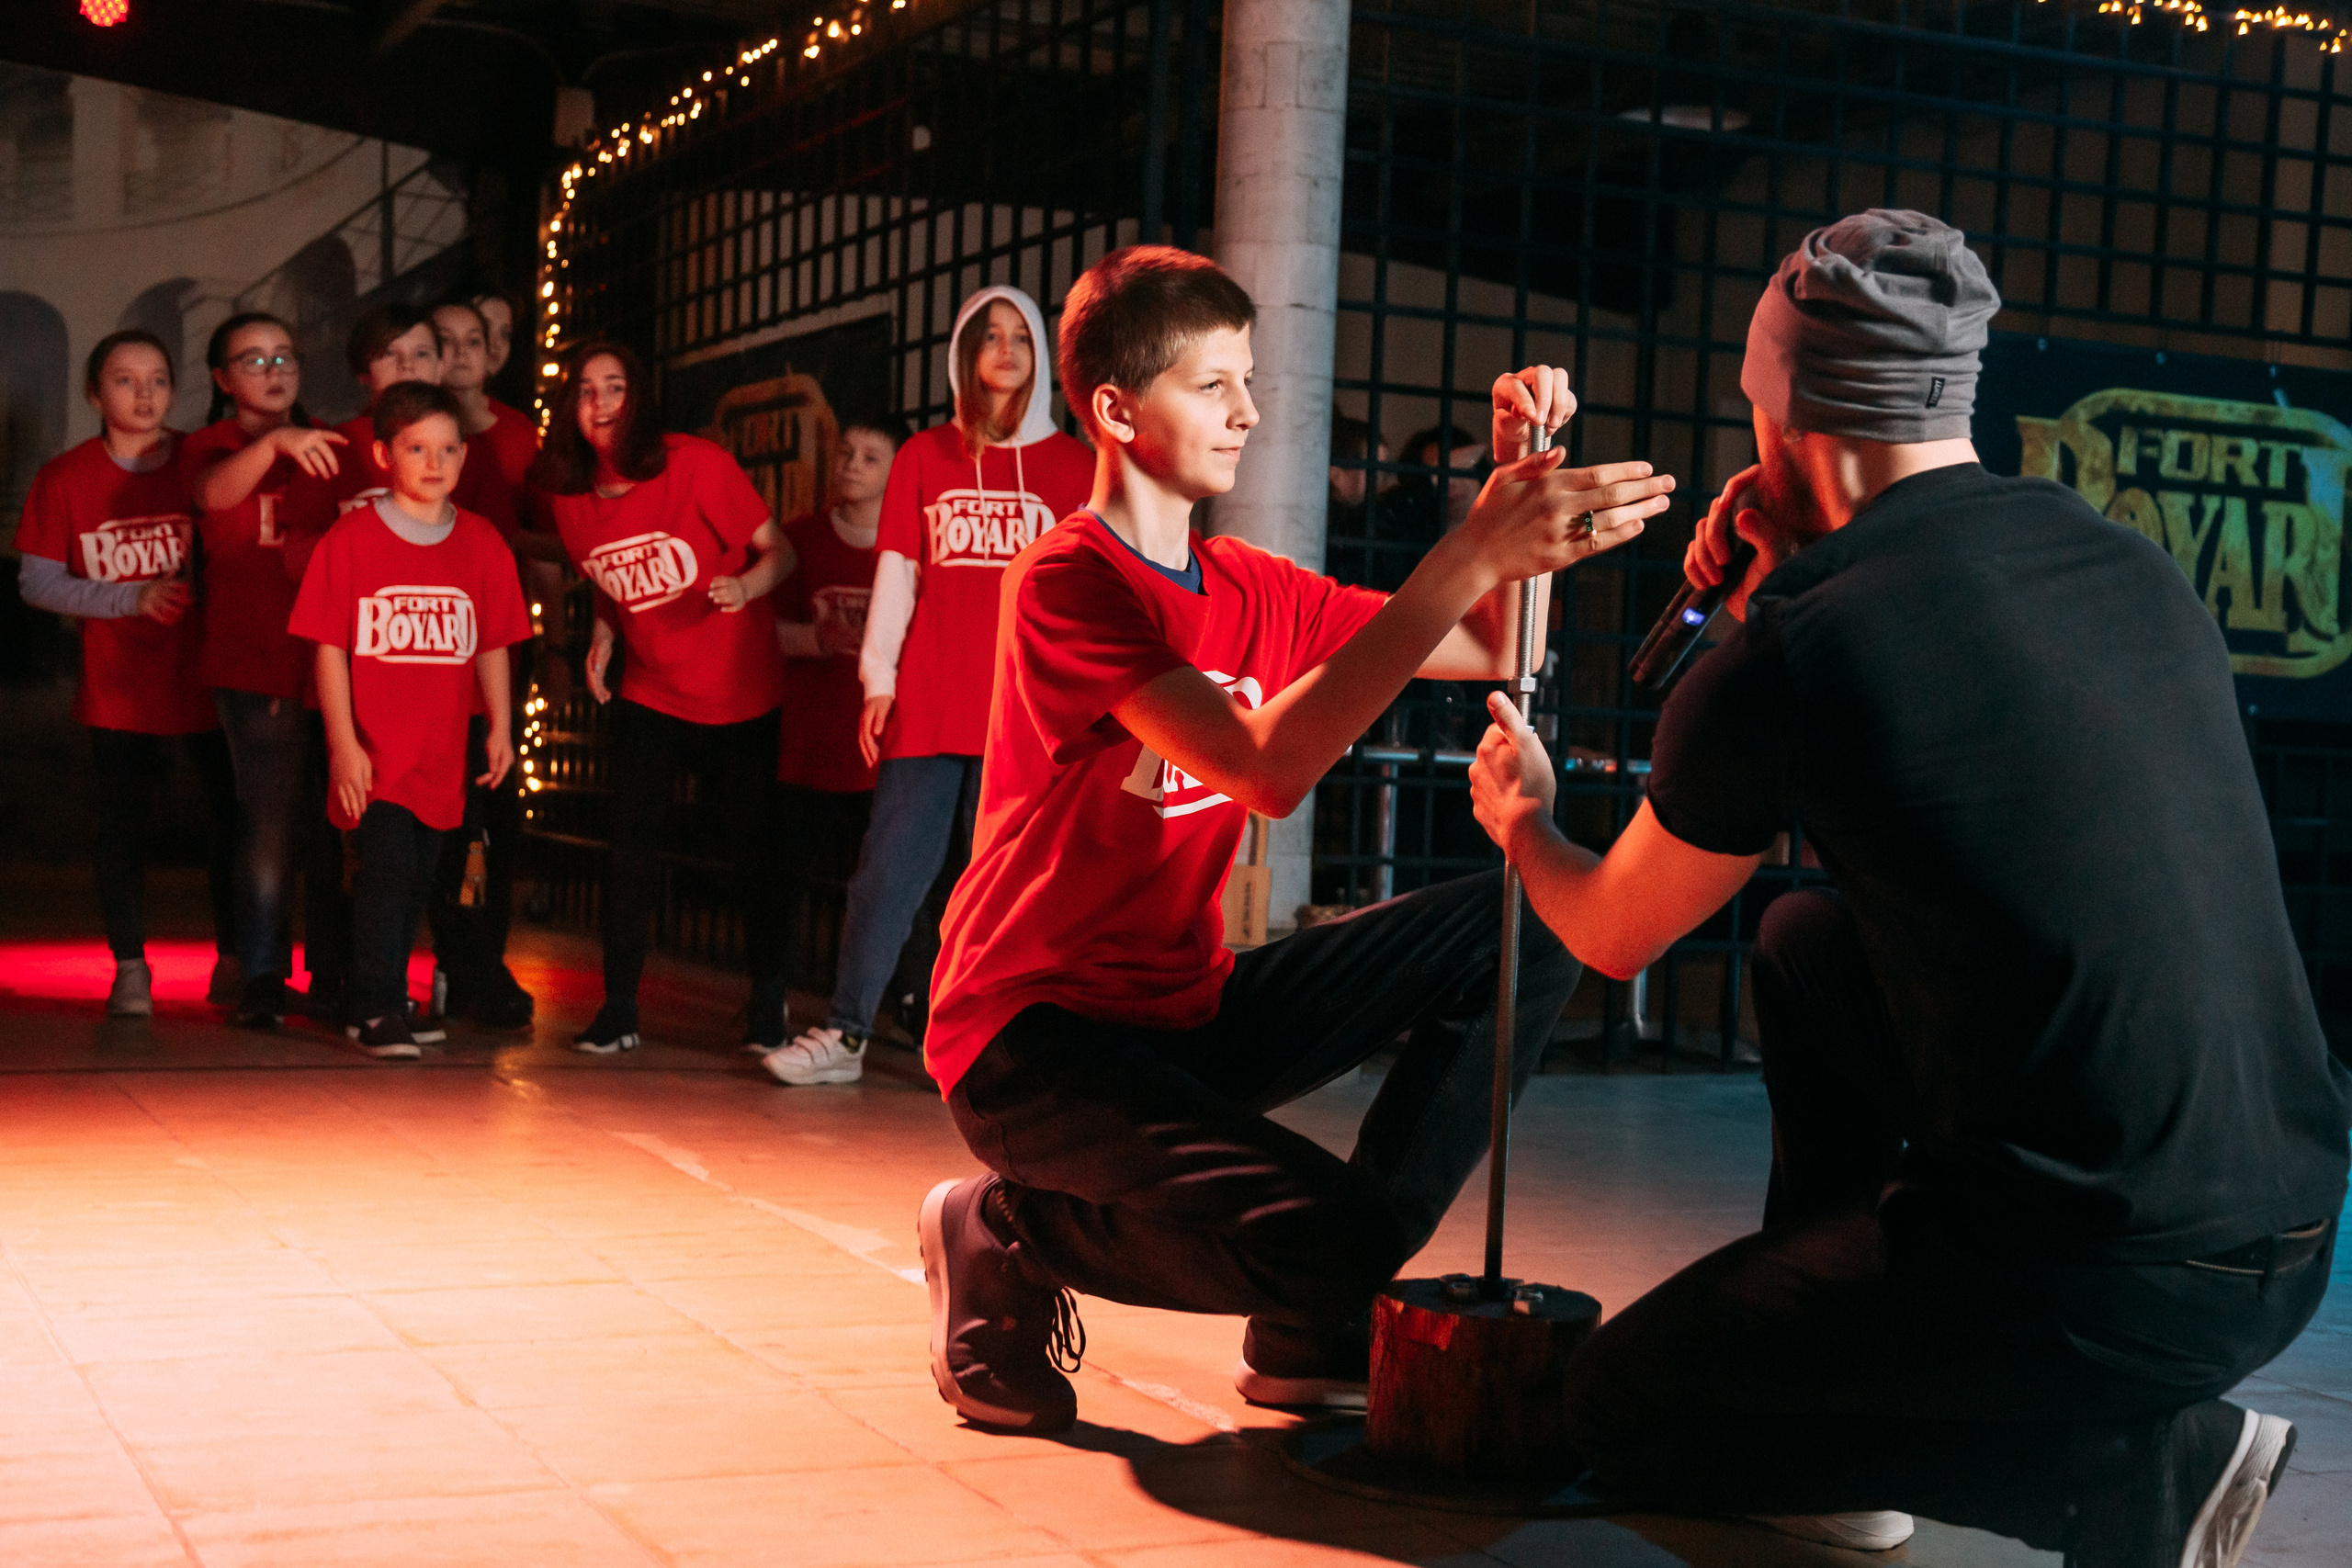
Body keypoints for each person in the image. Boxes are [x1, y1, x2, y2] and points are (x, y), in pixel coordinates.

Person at [1463, 210, 2352, 1566]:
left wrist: (1528, 820)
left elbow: (1611, 927)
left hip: (2101, 1275)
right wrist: (1785, 578)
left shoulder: (1800, 643)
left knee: (1622, 1406)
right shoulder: (2128, 565)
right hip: (2290, 1223)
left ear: (1784, 408)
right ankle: (1858, 1336)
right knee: (1809, 935)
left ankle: (2129, 1473)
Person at [912, 245, 1671, 1434]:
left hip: (1183, 1015)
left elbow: (1487, 647)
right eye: (1213, 384)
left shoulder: (1251, 584)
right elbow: (1262, 767)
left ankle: (1318, 1303)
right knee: (1354, 1238)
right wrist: (1467, 546)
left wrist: (1515, 483)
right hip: (1034, 1040)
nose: (1251, 411)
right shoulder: (1070, 579)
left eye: (1249, 379)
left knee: (1519, 914)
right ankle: (1005, 1224)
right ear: (1117, 407)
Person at [775, 286, 1092, 1077]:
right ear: (965, 353)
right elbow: (897, 579)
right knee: (887, 870)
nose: (1007, 349)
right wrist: (878, 678)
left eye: (1021, 335)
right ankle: (846, 1031)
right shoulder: (924, 456)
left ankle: (1001, 1045)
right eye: (990, 335)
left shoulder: (1075, 466)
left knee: (1006, 888)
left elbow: (1090, 594)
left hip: (1027, 714)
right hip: (929, 699)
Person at [531, 341, 789, 1055]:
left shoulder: (696, 463)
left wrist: (745, 587)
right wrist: (604, 636)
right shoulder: (570, 499)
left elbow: (780, 551)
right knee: (628, 849)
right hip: (652, 687)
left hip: (740, 687)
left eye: (616, 385)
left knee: (749, 850)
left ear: (638, 397)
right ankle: (619, 1009)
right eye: (586, 389)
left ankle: (769, 1004)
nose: (602, 401)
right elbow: (616, 580)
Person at [291, 382, 530, 1058]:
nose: (435, 462)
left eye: (448, 449)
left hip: (442, 752)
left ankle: (388, 998)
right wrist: (343, 743)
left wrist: (502, 727)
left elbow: (494, 642)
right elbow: (328, 646)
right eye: (417, 448)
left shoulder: (481, 541)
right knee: (386, 869)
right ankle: (374, 1004)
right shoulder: (353, 538)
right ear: (382, 454)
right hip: (375, 750)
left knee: (424, 877)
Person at [14, 329, 237, 1015]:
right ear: (94, 393)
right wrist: (125, 598)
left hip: (208, 678)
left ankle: (238, 961)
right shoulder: (67, 477)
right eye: (124, 380)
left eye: (158, 380)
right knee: (121, 829)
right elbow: (38, 582)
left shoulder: (203, 463)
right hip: (119, 688)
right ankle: (131, 967)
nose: (144, 394)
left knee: (232, 819)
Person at [185, 311, 345, 1028]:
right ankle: (262, 973)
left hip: (337, 663)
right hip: (254, 661)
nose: (274, 370)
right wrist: (277, 443)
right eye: (253, 360)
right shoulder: (209, 448)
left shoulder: (336, 445)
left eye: (284, 356)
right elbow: (211, 497)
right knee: (269, 824)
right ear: (222, 379)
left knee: (340, 822)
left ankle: (340, 971)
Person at [422, 297, 565, 1030]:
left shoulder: (516, 436)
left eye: (473, 341)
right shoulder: (418, 442)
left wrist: (562, 641)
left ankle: (479, 958)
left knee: (491, 818)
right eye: (442, 342)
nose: (462, 353)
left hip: (497, 643)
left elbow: (539, 537)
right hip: (418, 651)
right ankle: (436, 959)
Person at [757, 412, 910, 1085]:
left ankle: (893, 1009)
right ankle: (767, 1006)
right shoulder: (801, 541)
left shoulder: (910, 552)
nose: (850, 465)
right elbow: (760, 633)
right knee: (781, 885)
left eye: (870, 456)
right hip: (805, 745)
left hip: (879, 755)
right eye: (846, 452)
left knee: (881, 891)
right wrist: (820, 642)